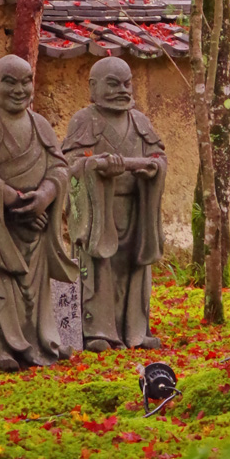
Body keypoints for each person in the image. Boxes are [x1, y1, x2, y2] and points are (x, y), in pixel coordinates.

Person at [0, 55, 78, 370]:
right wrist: (14, 200)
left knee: (35, 293)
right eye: (10, 81)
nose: (20, 89)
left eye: (26, 81)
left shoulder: (39, 124)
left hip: (36, 225)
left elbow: (59, 168)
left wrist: (45, 196)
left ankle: (38, 343)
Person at [62, 56, 167, 352]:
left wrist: (153, 169)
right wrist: (95, 166)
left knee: (134, 268)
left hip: (136, 207)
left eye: (127, 83)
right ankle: (97, 331)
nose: (122, 89)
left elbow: (159, 157)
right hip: (99, 211)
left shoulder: (141, 122)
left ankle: (135, 329)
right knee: (99, 267)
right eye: (113, 83)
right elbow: (70, 165)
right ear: (93, 87)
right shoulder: (85, 120)